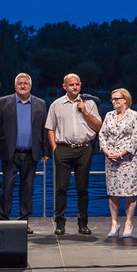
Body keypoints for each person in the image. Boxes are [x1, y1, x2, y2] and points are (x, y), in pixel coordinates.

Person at [45, 72, 101, 236]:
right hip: (63, 149)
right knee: (61, 188)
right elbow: (50, 128)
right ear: (64, 87)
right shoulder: (56, 105)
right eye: (71, 85)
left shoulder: (90, 103)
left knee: (82, 188)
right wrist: (55, 148)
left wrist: (85, 112)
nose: (75, 87)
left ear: (80, 85)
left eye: (77, 84)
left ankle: (83, 223)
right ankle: (60, 223)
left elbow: (98, 126)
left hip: (84, 148)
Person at [0, 73, 49, 234]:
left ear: (30, 86)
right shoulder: (3, 102)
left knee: (28, 189)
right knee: (7, 187)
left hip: (31, 153)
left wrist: (46, 152)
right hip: (10, 153)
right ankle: (3, 220)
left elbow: (45, 129)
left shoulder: (40, 103)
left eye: (25, 83)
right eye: (20, 83)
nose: (23, 86)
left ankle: (24, 221)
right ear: (15, 86)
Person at [99, 88, 137, 238]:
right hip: (111, 159)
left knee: (129, 192)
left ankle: (128, 223)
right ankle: (114, 223)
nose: (114, 101)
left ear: (125, 99)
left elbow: (136, 138)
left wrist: (122, 153)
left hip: (128, 160)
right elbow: (102, 134)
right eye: (112, 99)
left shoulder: (135, 116)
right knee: (113, 192)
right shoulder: (109, 115)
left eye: (117, 99)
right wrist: (106, 150)